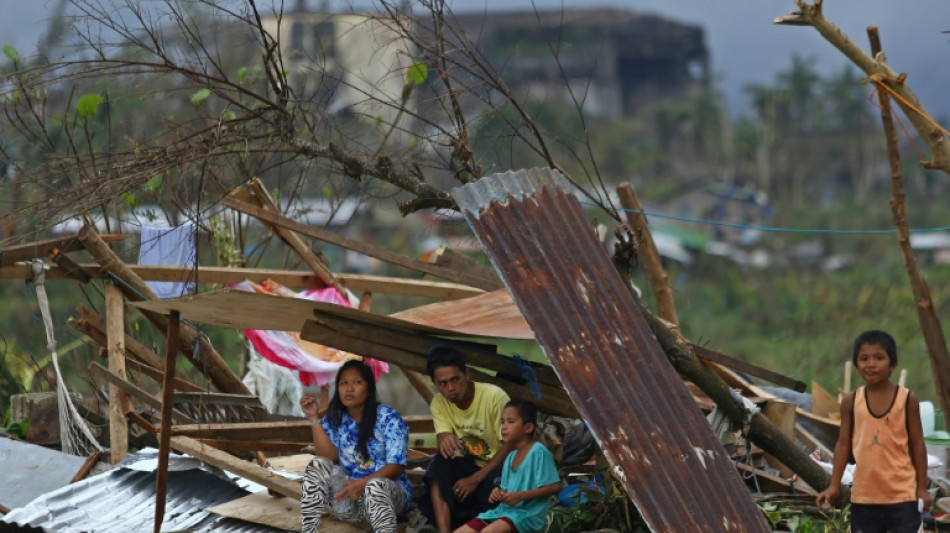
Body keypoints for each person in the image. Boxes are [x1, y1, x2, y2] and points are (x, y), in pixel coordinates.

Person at [816, 330, 931, 533]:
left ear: (893, 364)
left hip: (902, 495)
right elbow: (843, 444)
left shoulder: (906, 400)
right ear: (857, 364)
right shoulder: (851, 402)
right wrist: (834, 485)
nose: (870, 364)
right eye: (864, 358)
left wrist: (921, 488)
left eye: (879, 358)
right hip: (864, 497)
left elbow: (917, 444)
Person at [299, 360, 412, 533]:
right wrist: (314, 418)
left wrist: (363, 483)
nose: (349, 388)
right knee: (317, 464)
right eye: (344, 383)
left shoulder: (388, 418)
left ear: (368, 389)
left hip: (387, 499)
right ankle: (309, 530)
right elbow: (327, 457)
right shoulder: (335, 419)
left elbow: (396, 465)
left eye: (356, 382)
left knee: (375, 486)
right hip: (349, 501)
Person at [422, 345, 513, 532]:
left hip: (500, 466)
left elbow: (511, 445)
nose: (450, 388)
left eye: (455, 380)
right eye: (443, 383)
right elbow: (443, 436)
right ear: (435, 384)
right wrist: (444, 437)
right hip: (470, 465)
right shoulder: (439, 402)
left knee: (498, 490)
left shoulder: (494, 397)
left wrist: (475, 478)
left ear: (467, 374)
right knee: (438, 464)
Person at [454, 400, 561, 533]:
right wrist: (497, 492)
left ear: (527, 427)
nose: (504, 427)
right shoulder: (511, 457)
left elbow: (554, 486)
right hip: (503, 512)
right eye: (502, 422)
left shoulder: (538, 452)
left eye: (510, 422)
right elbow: (506, 489)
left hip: (526, 516)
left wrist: (520, 496)